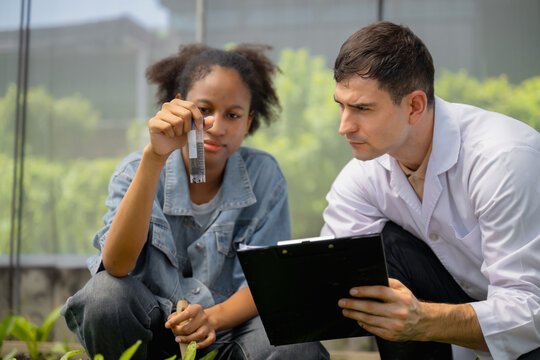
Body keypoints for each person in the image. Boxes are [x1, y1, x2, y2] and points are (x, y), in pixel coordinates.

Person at [62, 43, 329, 360]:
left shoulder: (264, 175)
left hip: (228, 332)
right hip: (150, 329)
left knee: (298, 347)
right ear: (177, 106)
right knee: (103, 296)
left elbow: (265, 285)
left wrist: (211, 318)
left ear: (249, 121)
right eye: (204, 110)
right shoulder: (136, 170)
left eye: (232, 114)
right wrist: (154, 158)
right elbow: (117, 266)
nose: (216, 125)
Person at [321, 21, 540, 360]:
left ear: (415, 107)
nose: (344, 126)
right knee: (372, 252)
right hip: (463, 317)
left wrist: (423, 321)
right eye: (341, 105)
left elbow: (531, 312)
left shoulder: (503, 159)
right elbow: (329, 273)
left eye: (362, 108)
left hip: (530, 327)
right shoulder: (363, 175)